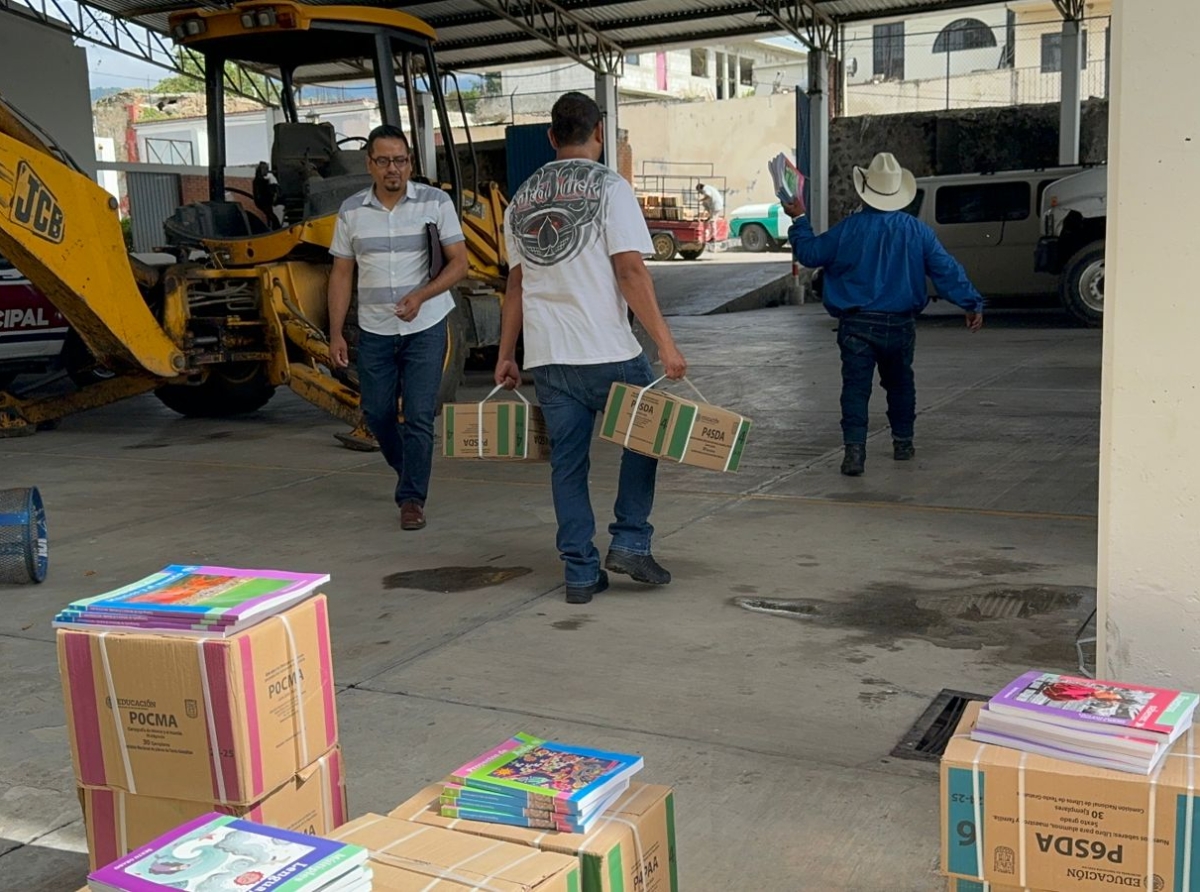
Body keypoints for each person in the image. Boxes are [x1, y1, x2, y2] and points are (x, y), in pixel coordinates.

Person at [495, 91, 687, 605]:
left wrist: (505, 354)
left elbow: (514, 286)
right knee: (649, 433)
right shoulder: (610, 186)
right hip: (606, 349)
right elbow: (629, 270)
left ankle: (580, 572)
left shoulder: (521, 200)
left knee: (568, 465)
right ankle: (629, 540)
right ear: (599, 134)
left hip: (548, 358)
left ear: (553, 137)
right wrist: (666, 345)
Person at [783, 151, 984, 477]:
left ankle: (855, 454)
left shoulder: (848, 229)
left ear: (866, 190)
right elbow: (946, 270)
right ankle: (903, 442)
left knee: (856, 389)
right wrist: (971, 302)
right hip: (900, 325)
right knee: (901, 384)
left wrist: (800, 218)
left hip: (857, 325)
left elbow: (810, 253)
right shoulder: (917, 231)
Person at [327, 124, 469, 529]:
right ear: (370, 164)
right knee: (378, 414)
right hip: (374, 330)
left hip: (426, 325)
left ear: (410, 163)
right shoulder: (351, 211)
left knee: (420, 414)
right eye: (385, 161)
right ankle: (410, 469)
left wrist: (422, 295)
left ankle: (412, 499)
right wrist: (336, 331)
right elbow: (340, 274)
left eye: (401, 160)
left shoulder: (435, 202)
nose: (394, 169)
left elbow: (460, 262)